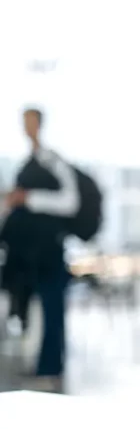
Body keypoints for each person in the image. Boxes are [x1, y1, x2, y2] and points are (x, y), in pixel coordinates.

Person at [1, 108, 79, 389]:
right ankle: (41, 366)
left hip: (49, 250)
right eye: (24, 123)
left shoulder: (52, 161)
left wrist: (29, 198)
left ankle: (51, 369)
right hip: (27, 251)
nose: (28, 128)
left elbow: (71, 202)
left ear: (40, 125)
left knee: (52, 309)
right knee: (32, 309)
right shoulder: (26, 163)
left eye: (32, 122)